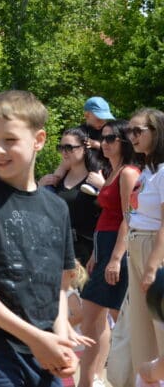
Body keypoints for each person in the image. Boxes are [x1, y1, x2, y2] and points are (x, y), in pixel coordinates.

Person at [0, 90, 90, 387]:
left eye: (10, 139)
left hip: (45, 352)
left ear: (38, 140)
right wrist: (36, 338)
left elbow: (60, 287)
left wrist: (59, 339)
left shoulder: (57, 207)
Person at [79, 119, 138, 387]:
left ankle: (133, 378)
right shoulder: (112, 171)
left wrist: (115, 258)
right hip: (103, 248)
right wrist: (95, 254)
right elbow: (106, 217)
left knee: (120, 322)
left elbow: (129, 217)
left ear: (124, 141)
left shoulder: (128, 173)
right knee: (94, 320)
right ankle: (90, 380)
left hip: (118, 250)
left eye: (111, 138)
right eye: (103, 138)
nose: (104, 143)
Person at [125, 108, 164, 380]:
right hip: (136, 243)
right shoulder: (147, 172)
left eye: (138, 130)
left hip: (154, 248)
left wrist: (152, 266)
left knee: (160, 325)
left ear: (157, 131)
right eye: (130, 131)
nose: (132, 136)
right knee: (140, 329)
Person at [38, 128, 104, 264]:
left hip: (87, 251)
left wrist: (103, 187)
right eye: (61, 147)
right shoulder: (56, 179)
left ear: (84, 149)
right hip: (57, 247)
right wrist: (39, 187)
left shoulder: (96, 179)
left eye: (69, 147)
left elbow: (115, 209)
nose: (64, 152)